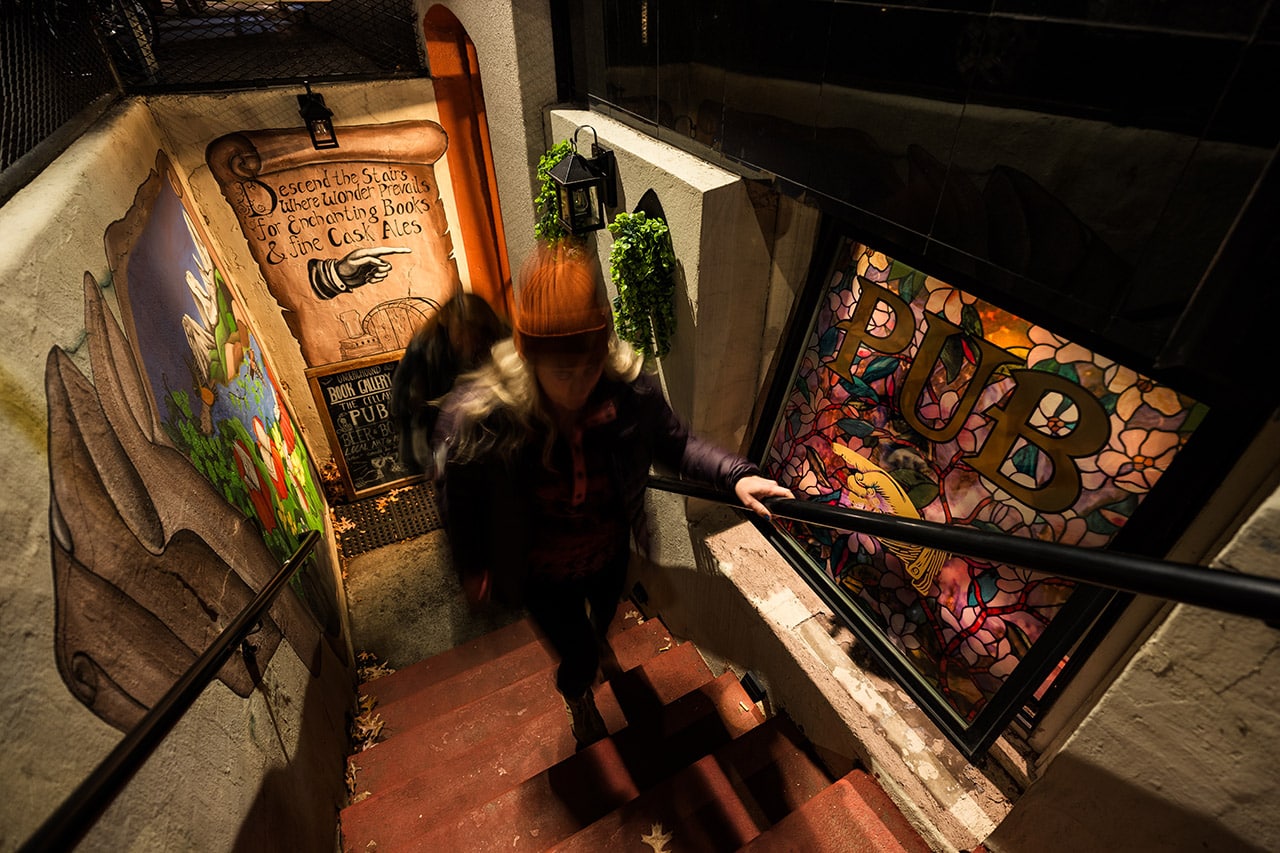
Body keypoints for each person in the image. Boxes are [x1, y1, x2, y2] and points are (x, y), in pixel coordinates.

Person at [432, 244, 792, 748]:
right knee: (576, 653)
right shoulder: (483, 421)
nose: (579, 383)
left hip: (607, 552)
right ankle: (577, 693)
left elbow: (677, 443)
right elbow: (459, 498)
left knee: (602, 621)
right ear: (530, 358)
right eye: (562, 370)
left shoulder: (628, 393)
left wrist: (734, 476)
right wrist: (473, 565)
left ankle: (593, 645)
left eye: (589, 364)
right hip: (539, 569)